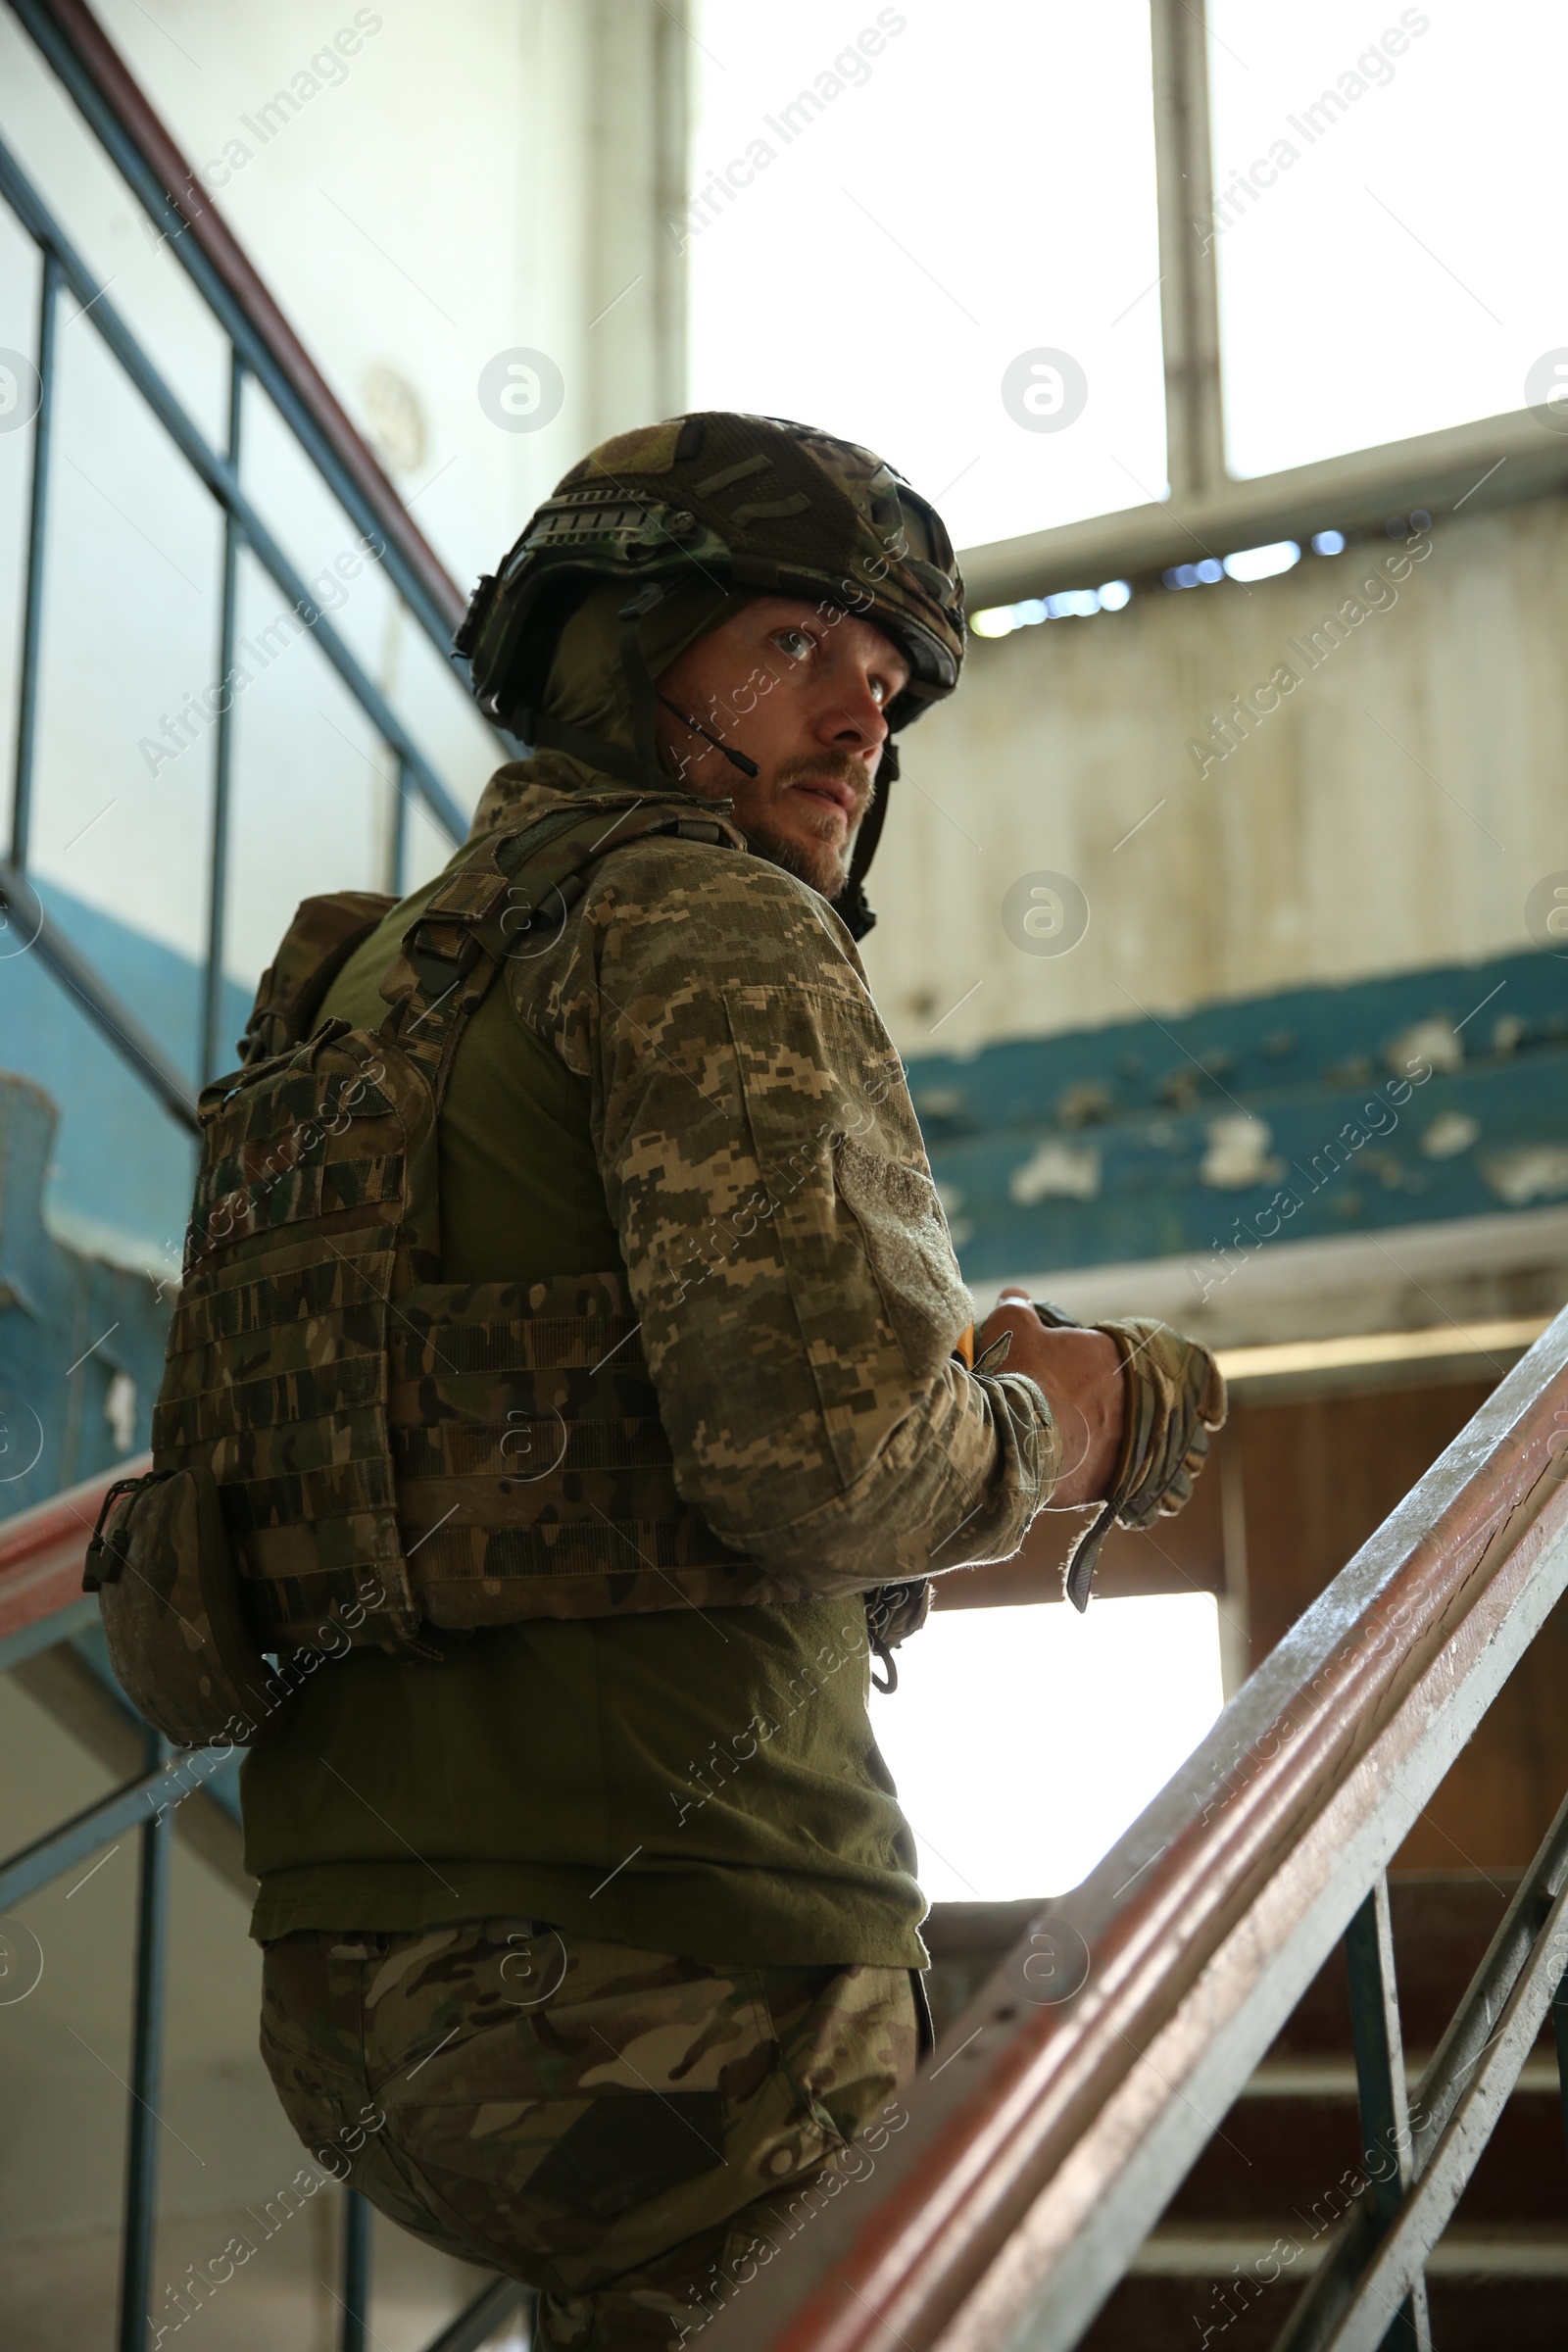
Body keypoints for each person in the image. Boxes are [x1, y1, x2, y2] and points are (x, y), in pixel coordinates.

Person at [171, 413, 1221, 2349]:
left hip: (343, 1993)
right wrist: (1074, 1414)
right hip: (685, 1986)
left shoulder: (362, 974)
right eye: (796, 647)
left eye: (888, 683)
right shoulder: (706, 914)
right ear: (615, 641)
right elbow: (831, 1469)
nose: (859, 725)